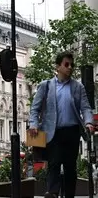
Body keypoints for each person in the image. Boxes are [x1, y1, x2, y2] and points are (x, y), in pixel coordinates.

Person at [29, 51, 94, 198]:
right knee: (54, 163)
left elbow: (85, 107)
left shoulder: (78, 87)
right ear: (58, 66)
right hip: (53, 132)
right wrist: (33, 124)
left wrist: (89, 122)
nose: (70, 67)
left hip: (72, 132)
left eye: (71, 65)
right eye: (66, 64)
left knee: (71, 167)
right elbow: (35, 108)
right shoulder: (46, 86)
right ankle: (52, 193)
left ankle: (69, 195)